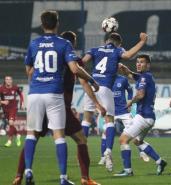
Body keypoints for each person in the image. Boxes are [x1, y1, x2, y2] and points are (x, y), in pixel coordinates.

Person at [13, 31, 105, 185]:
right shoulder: (70, 56)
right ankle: (85, 178)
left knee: (32, 139)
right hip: (59, 104)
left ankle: (18, 176)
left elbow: (31, 72)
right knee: (80, 139)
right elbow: (81, 78)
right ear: (73, 43)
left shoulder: (42, 51)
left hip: (40, 99)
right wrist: (96, 100)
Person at [81, 31, 147, 171]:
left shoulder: (94, 50)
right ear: (119, 44)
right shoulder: (117, 50)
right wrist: (142, 41)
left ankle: (81, 151)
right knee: (109, 121)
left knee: (86, 120)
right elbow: (128, 55)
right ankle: (108, 152)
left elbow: (81, 63)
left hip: (92, 85)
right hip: (105, 88)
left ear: (106, 41)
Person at [114, 54, 167, 177]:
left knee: (123, 140)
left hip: (143, 116)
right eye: (137, 62)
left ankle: (128, 171)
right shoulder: (146, 77)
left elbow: (141, 95)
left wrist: (130, 102)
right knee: (138, 141)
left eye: (142, 62)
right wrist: (124, 68)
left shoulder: (144, 78)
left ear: (148, 65)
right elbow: (131, 75)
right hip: (150, 117)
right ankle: (160, 161)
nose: (138, 64)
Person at [98, 74, 150, 166]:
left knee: (134, 132)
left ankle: (142, 152)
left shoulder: (123, 79)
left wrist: (129, 101)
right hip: (110, 111)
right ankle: (103, 158)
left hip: (123, 110)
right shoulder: (105, 79)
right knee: (105, 134)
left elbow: (129, 90)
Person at [0, 76, 24, 147]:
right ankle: (18, 134)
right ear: (5, 81)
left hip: (13, 108)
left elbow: (21, 95)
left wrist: (22, 103)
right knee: (11, 124)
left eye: (10, 79)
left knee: (10, 122)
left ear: (12, 81)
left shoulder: (15, 87)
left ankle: (9, 141)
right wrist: (3, 102)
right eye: (7, 79)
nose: (8, 81)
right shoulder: (1, 89)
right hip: (5, 110)